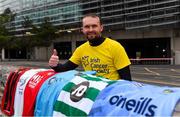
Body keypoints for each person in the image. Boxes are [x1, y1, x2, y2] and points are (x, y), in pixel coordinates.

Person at [49, 13, 132, 81]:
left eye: (94, 26)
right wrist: (55, 65)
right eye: (87, 27)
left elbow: (127, 80)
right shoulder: (81, 49)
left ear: (101, 28)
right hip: (91, 93)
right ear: (82, 30)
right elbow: (65, 68)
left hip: (109, 95)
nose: (90, 30)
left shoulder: (115, 47)